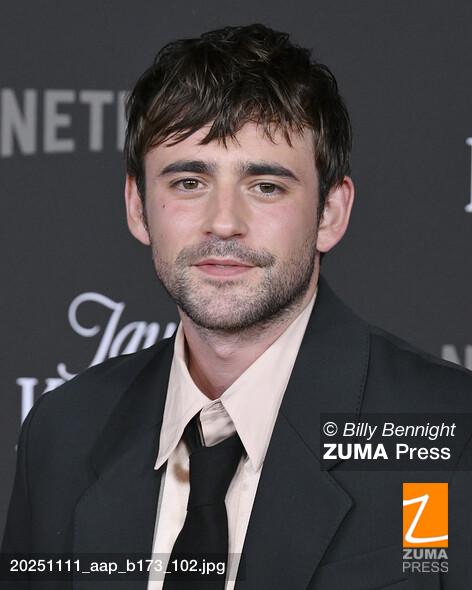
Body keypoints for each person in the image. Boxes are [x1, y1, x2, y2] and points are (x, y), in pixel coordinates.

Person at [2, 23, 472, 590]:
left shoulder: (452, 431)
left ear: (330, 213)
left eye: (266, 186)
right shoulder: (62, 435)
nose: (223, 222)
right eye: (188, 182)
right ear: (137, 207)